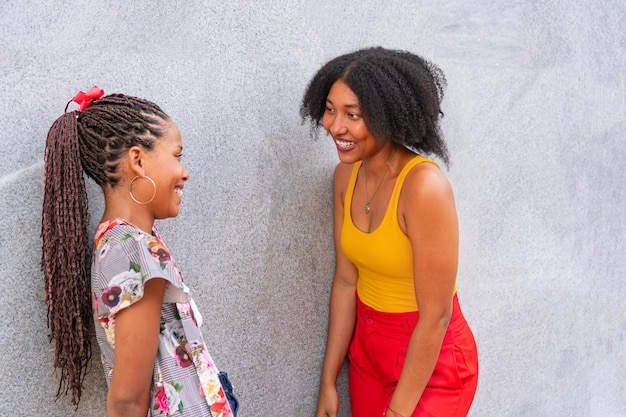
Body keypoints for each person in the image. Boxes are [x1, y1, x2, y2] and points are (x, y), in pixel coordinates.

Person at [300, 47, 479, 417]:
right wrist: (328, 382)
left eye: (353, 115)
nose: (336, 126)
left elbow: (436, 317)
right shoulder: (345, 177)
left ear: (389, 116)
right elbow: (347, 283)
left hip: (431, 360)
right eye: (331, 110)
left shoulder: (423, 187)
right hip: (367, 354)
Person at [41, 86, 238, 417]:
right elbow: (128, 399)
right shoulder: (132, 250)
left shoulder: (132, 241)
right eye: (177, 155)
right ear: (137, 160)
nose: (184, 171)